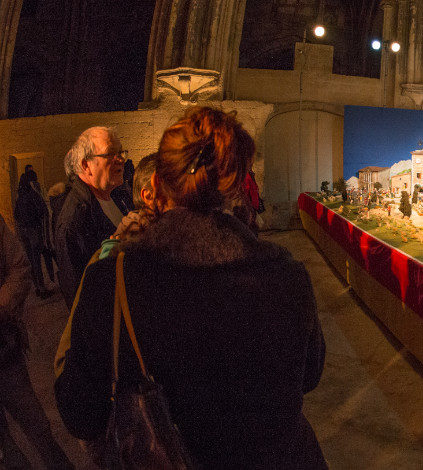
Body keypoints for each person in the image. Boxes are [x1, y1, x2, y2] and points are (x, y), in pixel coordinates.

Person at [54, 107, 328, 468]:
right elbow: (309, 375)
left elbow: (80, 411)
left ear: (157, 184)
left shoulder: (113, 280)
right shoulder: (286, 273)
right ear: (233, 187)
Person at [0, 213, 74, 470]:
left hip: (4, 350)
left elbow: (20, 268)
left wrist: (1, 306)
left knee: (38, 427)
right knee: (5, 448)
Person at [53, 127, 132, 305]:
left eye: (120, 152)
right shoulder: (73, 223)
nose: (121, 159)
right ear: (86, 165)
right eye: (110, 154)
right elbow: (78, 297)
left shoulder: (119, 196)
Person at [13, 172, 54, 298]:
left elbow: (16, 215)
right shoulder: (32, 195)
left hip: (24, 230)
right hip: (34, 230)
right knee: (37, 260)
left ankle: (37, 287)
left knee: (32, 260)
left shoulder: (20, 197)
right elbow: (42, 211)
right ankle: (42, 289)